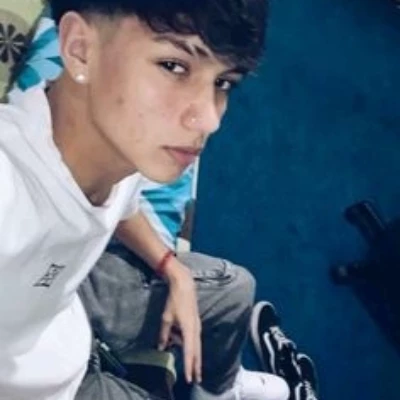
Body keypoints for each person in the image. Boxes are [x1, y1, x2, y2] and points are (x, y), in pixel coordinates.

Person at [0, 1, 289, 399]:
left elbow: (121, 205)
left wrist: (172, 268)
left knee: (233, 289)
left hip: (65, 309)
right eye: (174, 66)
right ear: (80, 48)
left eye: (223, 83)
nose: (209, 120)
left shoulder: (116, 147)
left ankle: (221, 388)